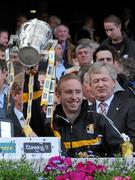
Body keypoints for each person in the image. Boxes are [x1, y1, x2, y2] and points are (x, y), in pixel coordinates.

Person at [51, 73, 123, 157]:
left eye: (78, 92)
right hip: (60, 170)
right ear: (58, 95)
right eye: (69, 92)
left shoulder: (98, 119)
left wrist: (102, 164)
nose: (74, 97)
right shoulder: (50, 123)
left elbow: (121, 149)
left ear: (83, 94)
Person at [88, 62, 135, 151]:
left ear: (114, 82)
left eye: (104, 80)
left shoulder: (130, 106)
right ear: (90, 86)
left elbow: (133, 140)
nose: (100, 85)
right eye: (95, 81)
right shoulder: (86, 111)